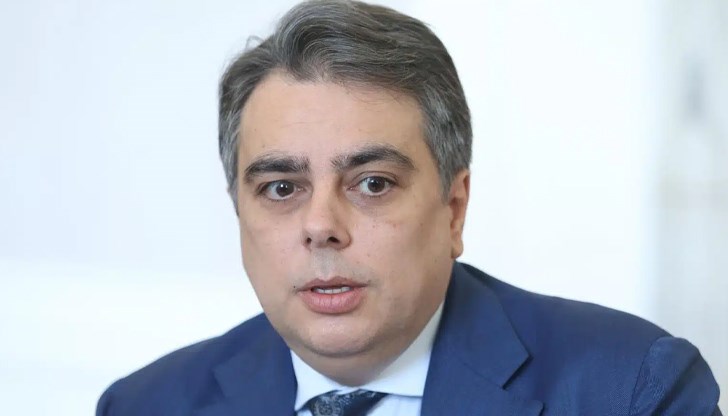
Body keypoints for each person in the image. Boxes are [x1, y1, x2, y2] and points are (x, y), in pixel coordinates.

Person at [96, 1, 722, 415]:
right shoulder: (147, 406)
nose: (321, 227)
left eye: (372, 183)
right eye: (282, 188)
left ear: (454, 208)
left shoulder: (633, 390)